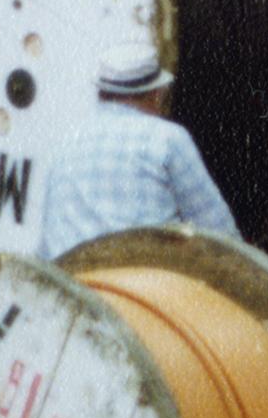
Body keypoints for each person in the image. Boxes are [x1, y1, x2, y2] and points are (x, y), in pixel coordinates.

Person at [39, 43, 238, 258]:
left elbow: (47, 239)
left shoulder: (66, 141)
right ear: (156, 94)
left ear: (101, 93)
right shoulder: (167, 138)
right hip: (139, 282)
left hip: (71, 280)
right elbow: (218, 230)